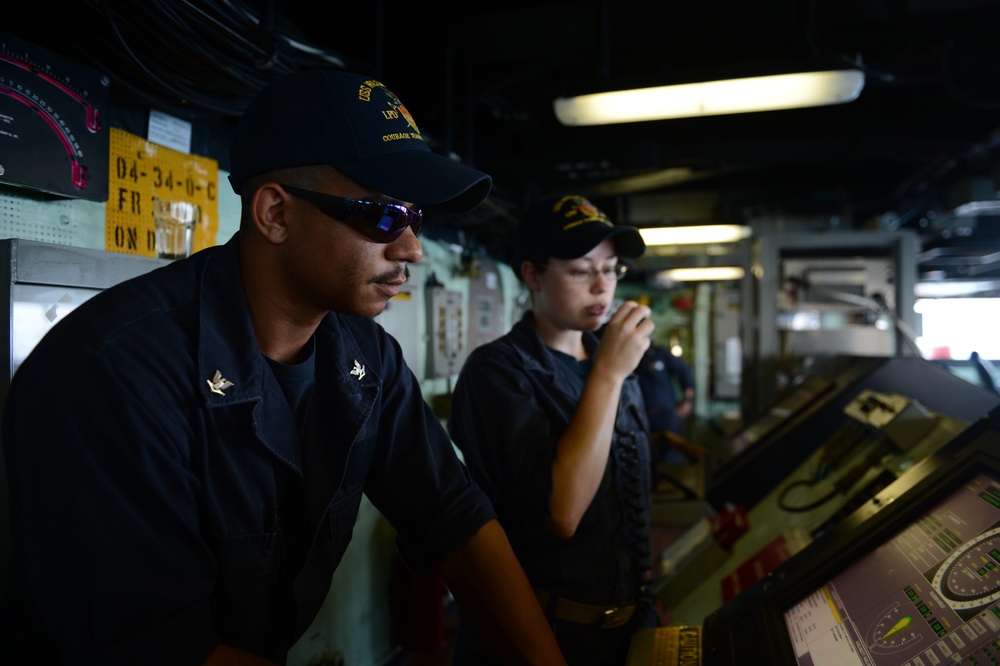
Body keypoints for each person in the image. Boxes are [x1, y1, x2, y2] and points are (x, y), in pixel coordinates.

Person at [0, 69, 566, 666]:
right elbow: (159, 648)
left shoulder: (365, 356)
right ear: (274, 213)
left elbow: (454, 519)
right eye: (381, 216)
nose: (411, 249)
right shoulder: (111, 375)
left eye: (415, 218)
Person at [448, 194, 658, 665]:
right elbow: (560, 513)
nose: (602, 287)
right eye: (581, 271)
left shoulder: (614, 360)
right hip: (541, 636)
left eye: (612, 269)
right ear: (532, 275)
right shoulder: (498, 372)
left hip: (624, 625)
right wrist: (608, 374)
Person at [635, 343, 696, 463]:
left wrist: (687, 402)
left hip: (666, 415)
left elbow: (685, 373)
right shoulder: (630, 356)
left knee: (670, 458)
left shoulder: (660, 354)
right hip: (641, 416)